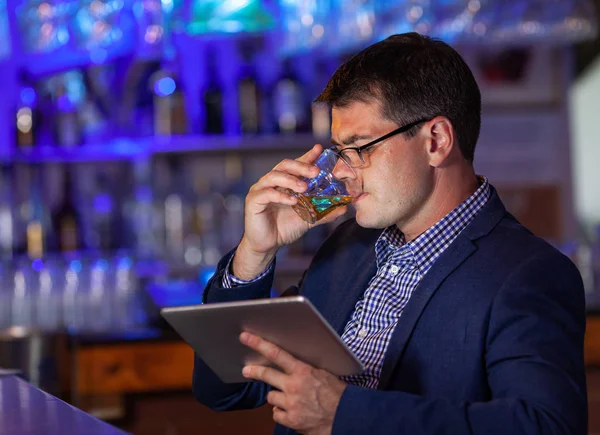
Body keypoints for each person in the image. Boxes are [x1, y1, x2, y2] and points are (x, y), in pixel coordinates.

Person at [192, 32, 587, 435]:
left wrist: (343, 413)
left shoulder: (527, 273)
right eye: (338, 152)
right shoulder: (348, 247)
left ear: (436, 141)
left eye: (359, 148)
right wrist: (256, 252)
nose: (340, 172)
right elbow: (225, 391)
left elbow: (545, 426)